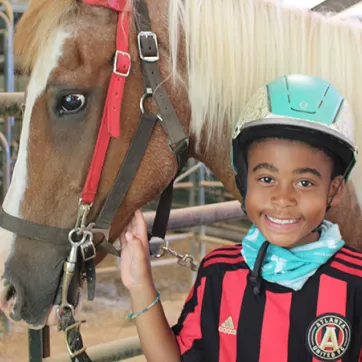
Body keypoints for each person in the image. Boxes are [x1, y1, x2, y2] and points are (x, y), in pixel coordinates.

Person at [119, 74, 362, 362]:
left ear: (333, 191)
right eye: (267, 178)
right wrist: (140, 283)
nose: (282, 199)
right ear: (244, 183)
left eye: (305, 183)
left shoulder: (356, 283)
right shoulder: (218, 273)